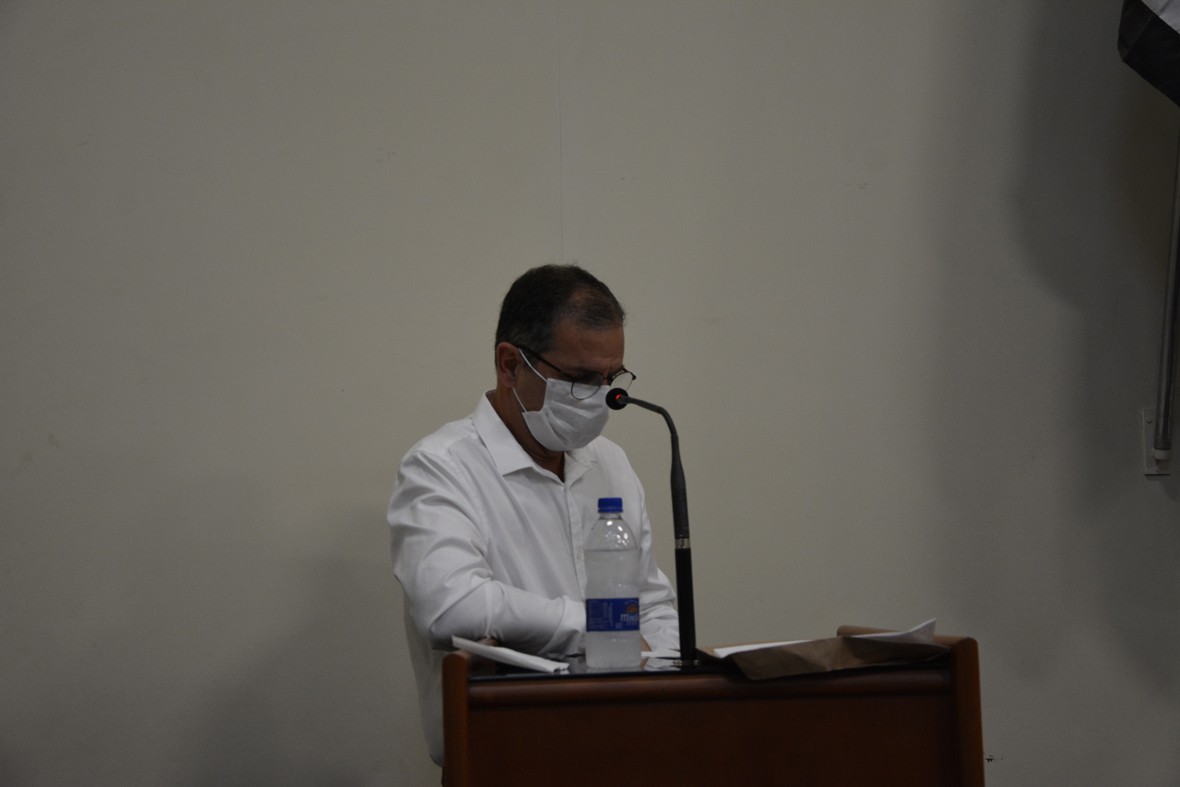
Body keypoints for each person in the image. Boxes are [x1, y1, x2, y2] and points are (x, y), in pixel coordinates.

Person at [388, 264, 680, 765]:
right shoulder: (440, 466)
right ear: (510, 365)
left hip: (628, 752)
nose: (600, 398)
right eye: (580, 379)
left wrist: (666, 670)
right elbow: (451, 607)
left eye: (610, 378)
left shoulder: (611, 463)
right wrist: (603, 629)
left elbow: (652, 606)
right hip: (507, 760)